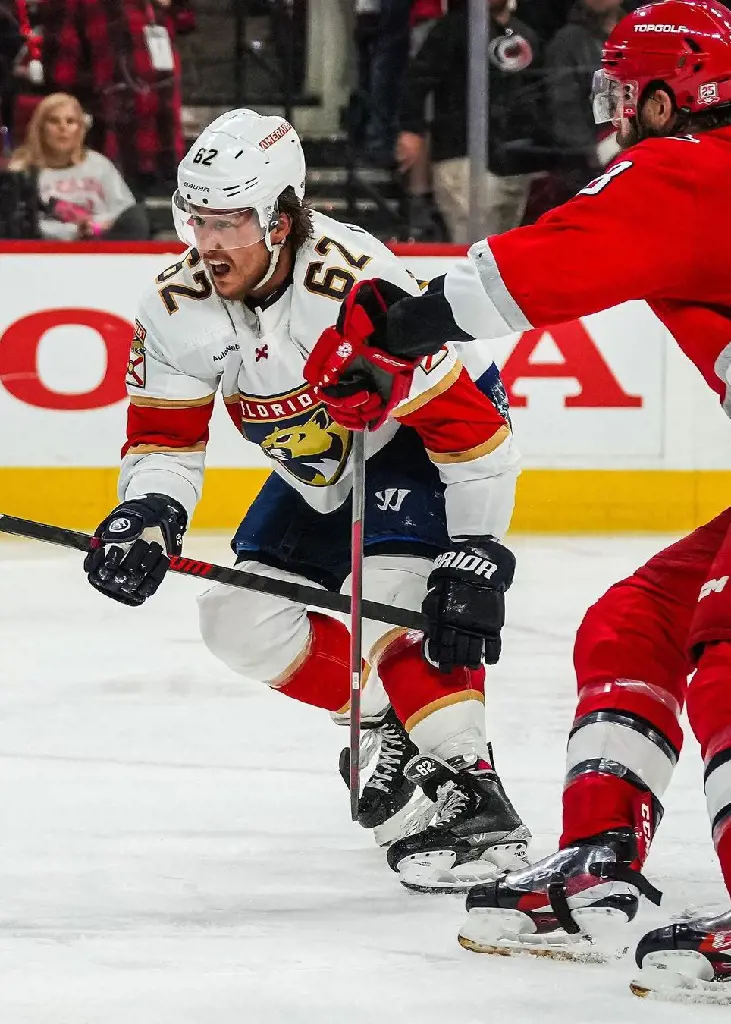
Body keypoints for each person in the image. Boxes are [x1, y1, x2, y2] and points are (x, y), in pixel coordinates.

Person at [304, 0, 731, 999]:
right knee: (637, 618)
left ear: (665, 97)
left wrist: (396, 322)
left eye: (624, 94)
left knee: (719, 632)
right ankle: (595, 862)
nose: (614, 114)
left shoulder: (685, 167)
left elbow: (532, 270)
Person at [82, 107, 530, 890]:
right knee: (236, 619)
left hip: (416, 444)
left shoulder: (360, 287)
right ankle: (381, 723)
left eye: (229, 221)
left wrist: (478, 551)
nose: (207, 242)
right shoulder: (174, 305)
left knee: (391, 595)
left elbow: (473, 432)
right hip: (318, 471)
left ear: (283, 219)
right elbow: (164, 441)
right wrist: (148, 514)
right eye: (197, 218)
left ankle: (470, 788)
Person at [396, 0, 543, 243]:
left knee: (506, 250)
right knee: (474, 248)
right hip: (462, 153)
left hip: (517, 160)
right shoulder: (452, 29)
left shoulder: (526, 34)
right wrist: (411, 129)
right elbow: (417, 81)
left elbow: (540, 93)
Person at [9, 92, 150, 240]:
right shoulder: (23, 169)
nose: (63, 128)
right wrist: (75, 231)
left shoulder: (98, 164)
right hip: (51, 250)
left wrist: (94, 227)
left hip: (104, 242)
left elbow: (125, 212)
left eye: (70, 121)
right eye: (54, 121)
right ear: (40, 128)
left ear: (80, 128)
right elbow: (23, 225)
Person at [545, 0, 625, 194]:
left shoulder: (642, 34)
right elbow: (563, 107)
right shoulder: (567, 41)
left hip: (641, 153)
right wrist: (592, 152)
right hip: (590, 169)